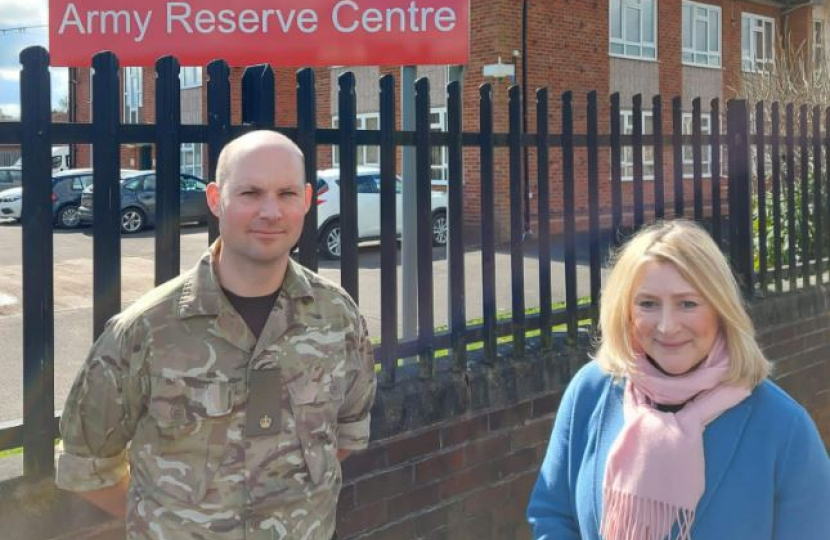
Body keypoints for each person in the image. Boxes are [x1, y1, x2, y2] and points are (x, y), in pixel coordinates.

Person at [56, 130, 377, 540]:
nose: (270, 211)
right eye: (249, 193)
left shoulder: (339, 317)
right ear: (214, 198)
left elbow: (347, 431)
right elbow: (88, 465)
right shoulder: (144, 331)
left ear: (308, 199)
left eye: (286, 194)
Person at [527, 219, 830, 540]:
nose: (667, 326)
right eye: (648, 304)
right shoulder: (591, 392)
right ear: (625, 311)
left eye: (688, 304)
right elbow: (552, 515)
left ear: (720, 308)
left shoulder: (783, 427)